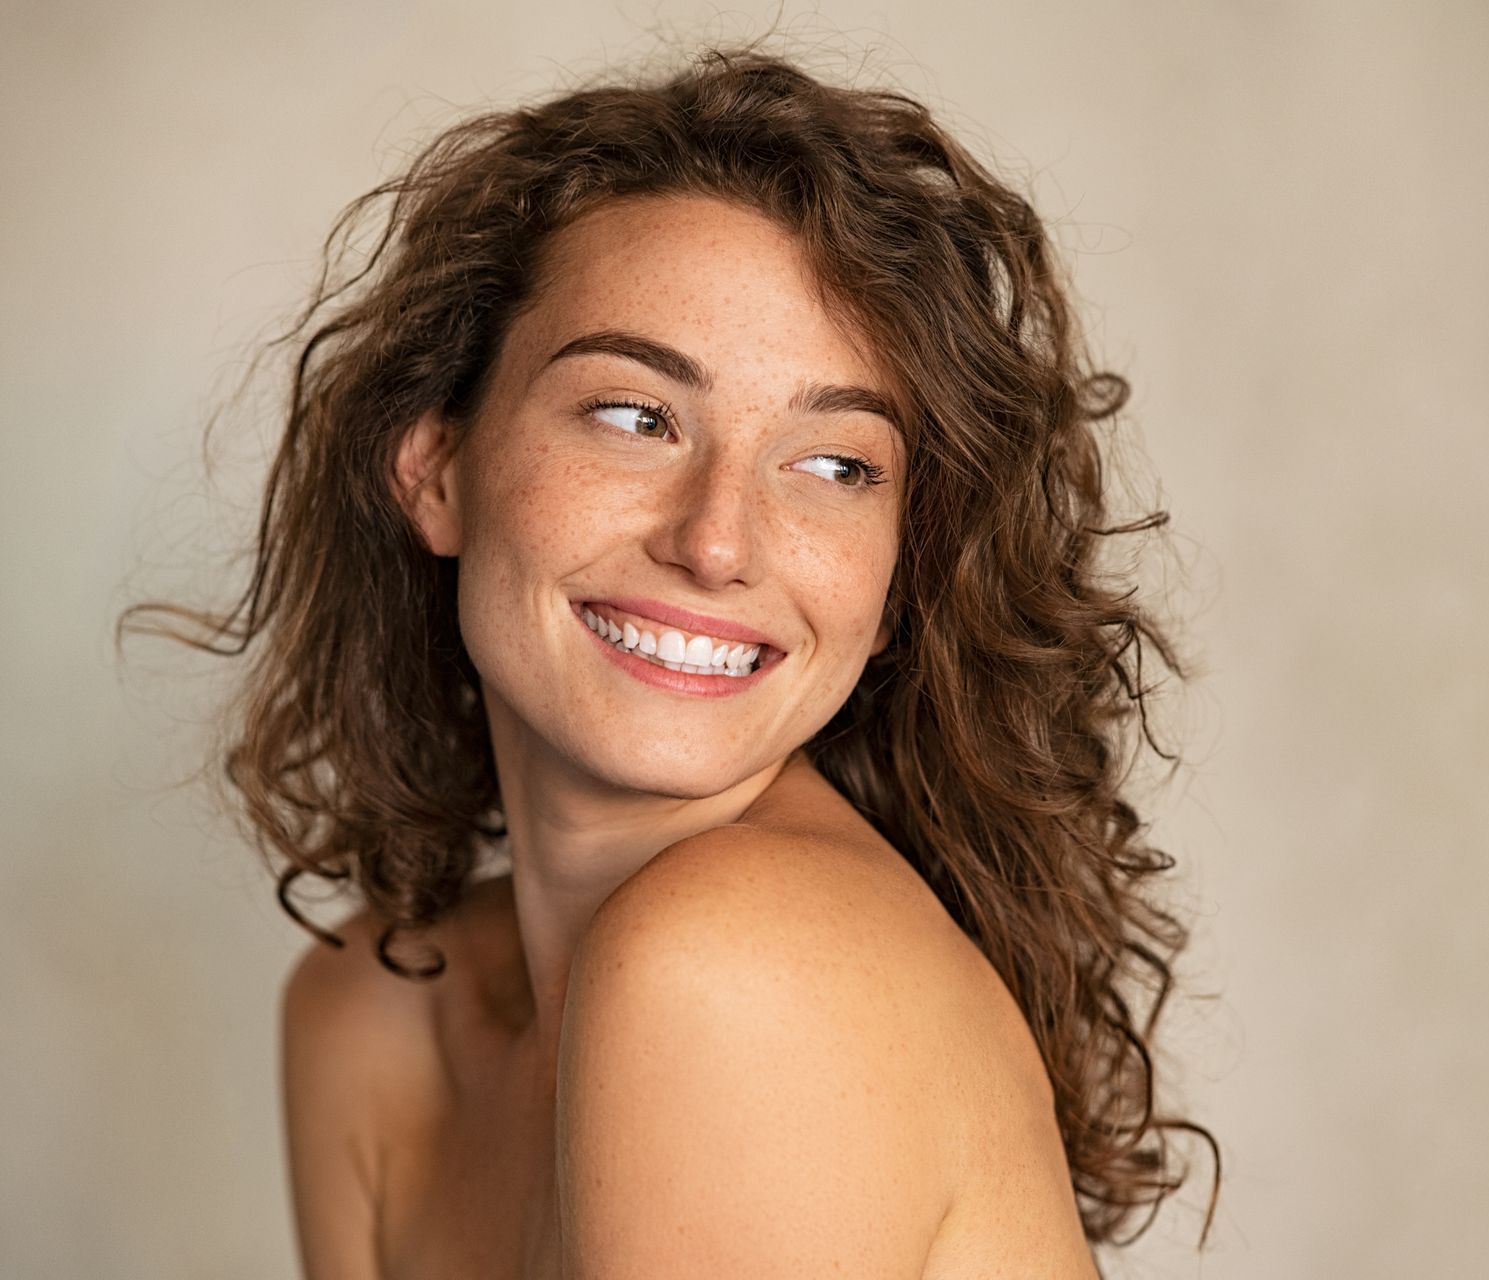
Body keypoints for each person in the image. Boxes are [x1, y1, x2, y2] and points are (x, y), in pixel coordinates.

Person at [122, 42, 1219, 1279]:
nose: (714, 541)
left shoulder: (736, 964)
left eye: (835, 463)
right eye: (637, 416)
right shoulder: (367, 1012)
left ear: (901, 562)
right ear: (435, 466)